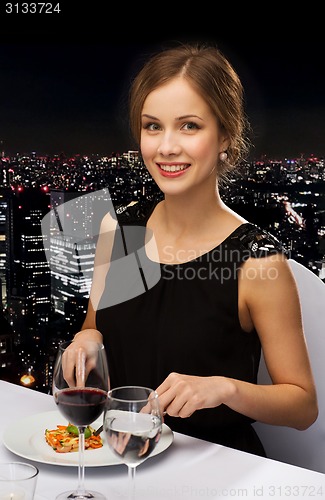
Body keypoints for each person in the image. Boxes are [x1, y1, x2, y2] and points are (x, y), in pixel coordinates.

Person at [64, 41, 318, 456]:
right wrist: (86, 339)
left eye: (189, 126)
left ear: (225, 137)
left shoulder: (256, 261)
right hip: (120, 455)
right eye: (152, 126)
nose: (166, 147)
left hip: (214, 466)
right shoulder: (120, 230)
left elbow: (303, 406)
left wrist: (224, 388)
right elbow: (96, 323)